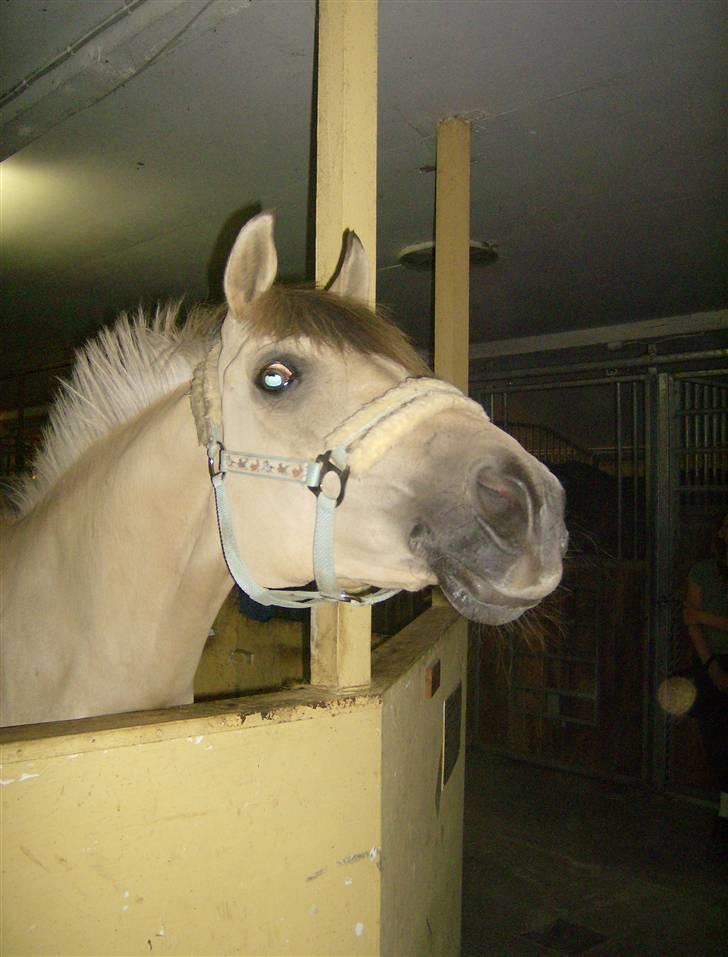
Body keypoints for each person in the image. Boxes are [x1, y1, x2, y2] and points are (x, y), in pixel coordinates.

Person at [683, 511, 728, 857]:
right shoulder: (703, 571)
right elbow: (690, 619)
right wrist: (711, 664)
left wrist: (703, 616)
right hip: (712, 661)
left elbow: (698, 615)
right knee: (716, 740)